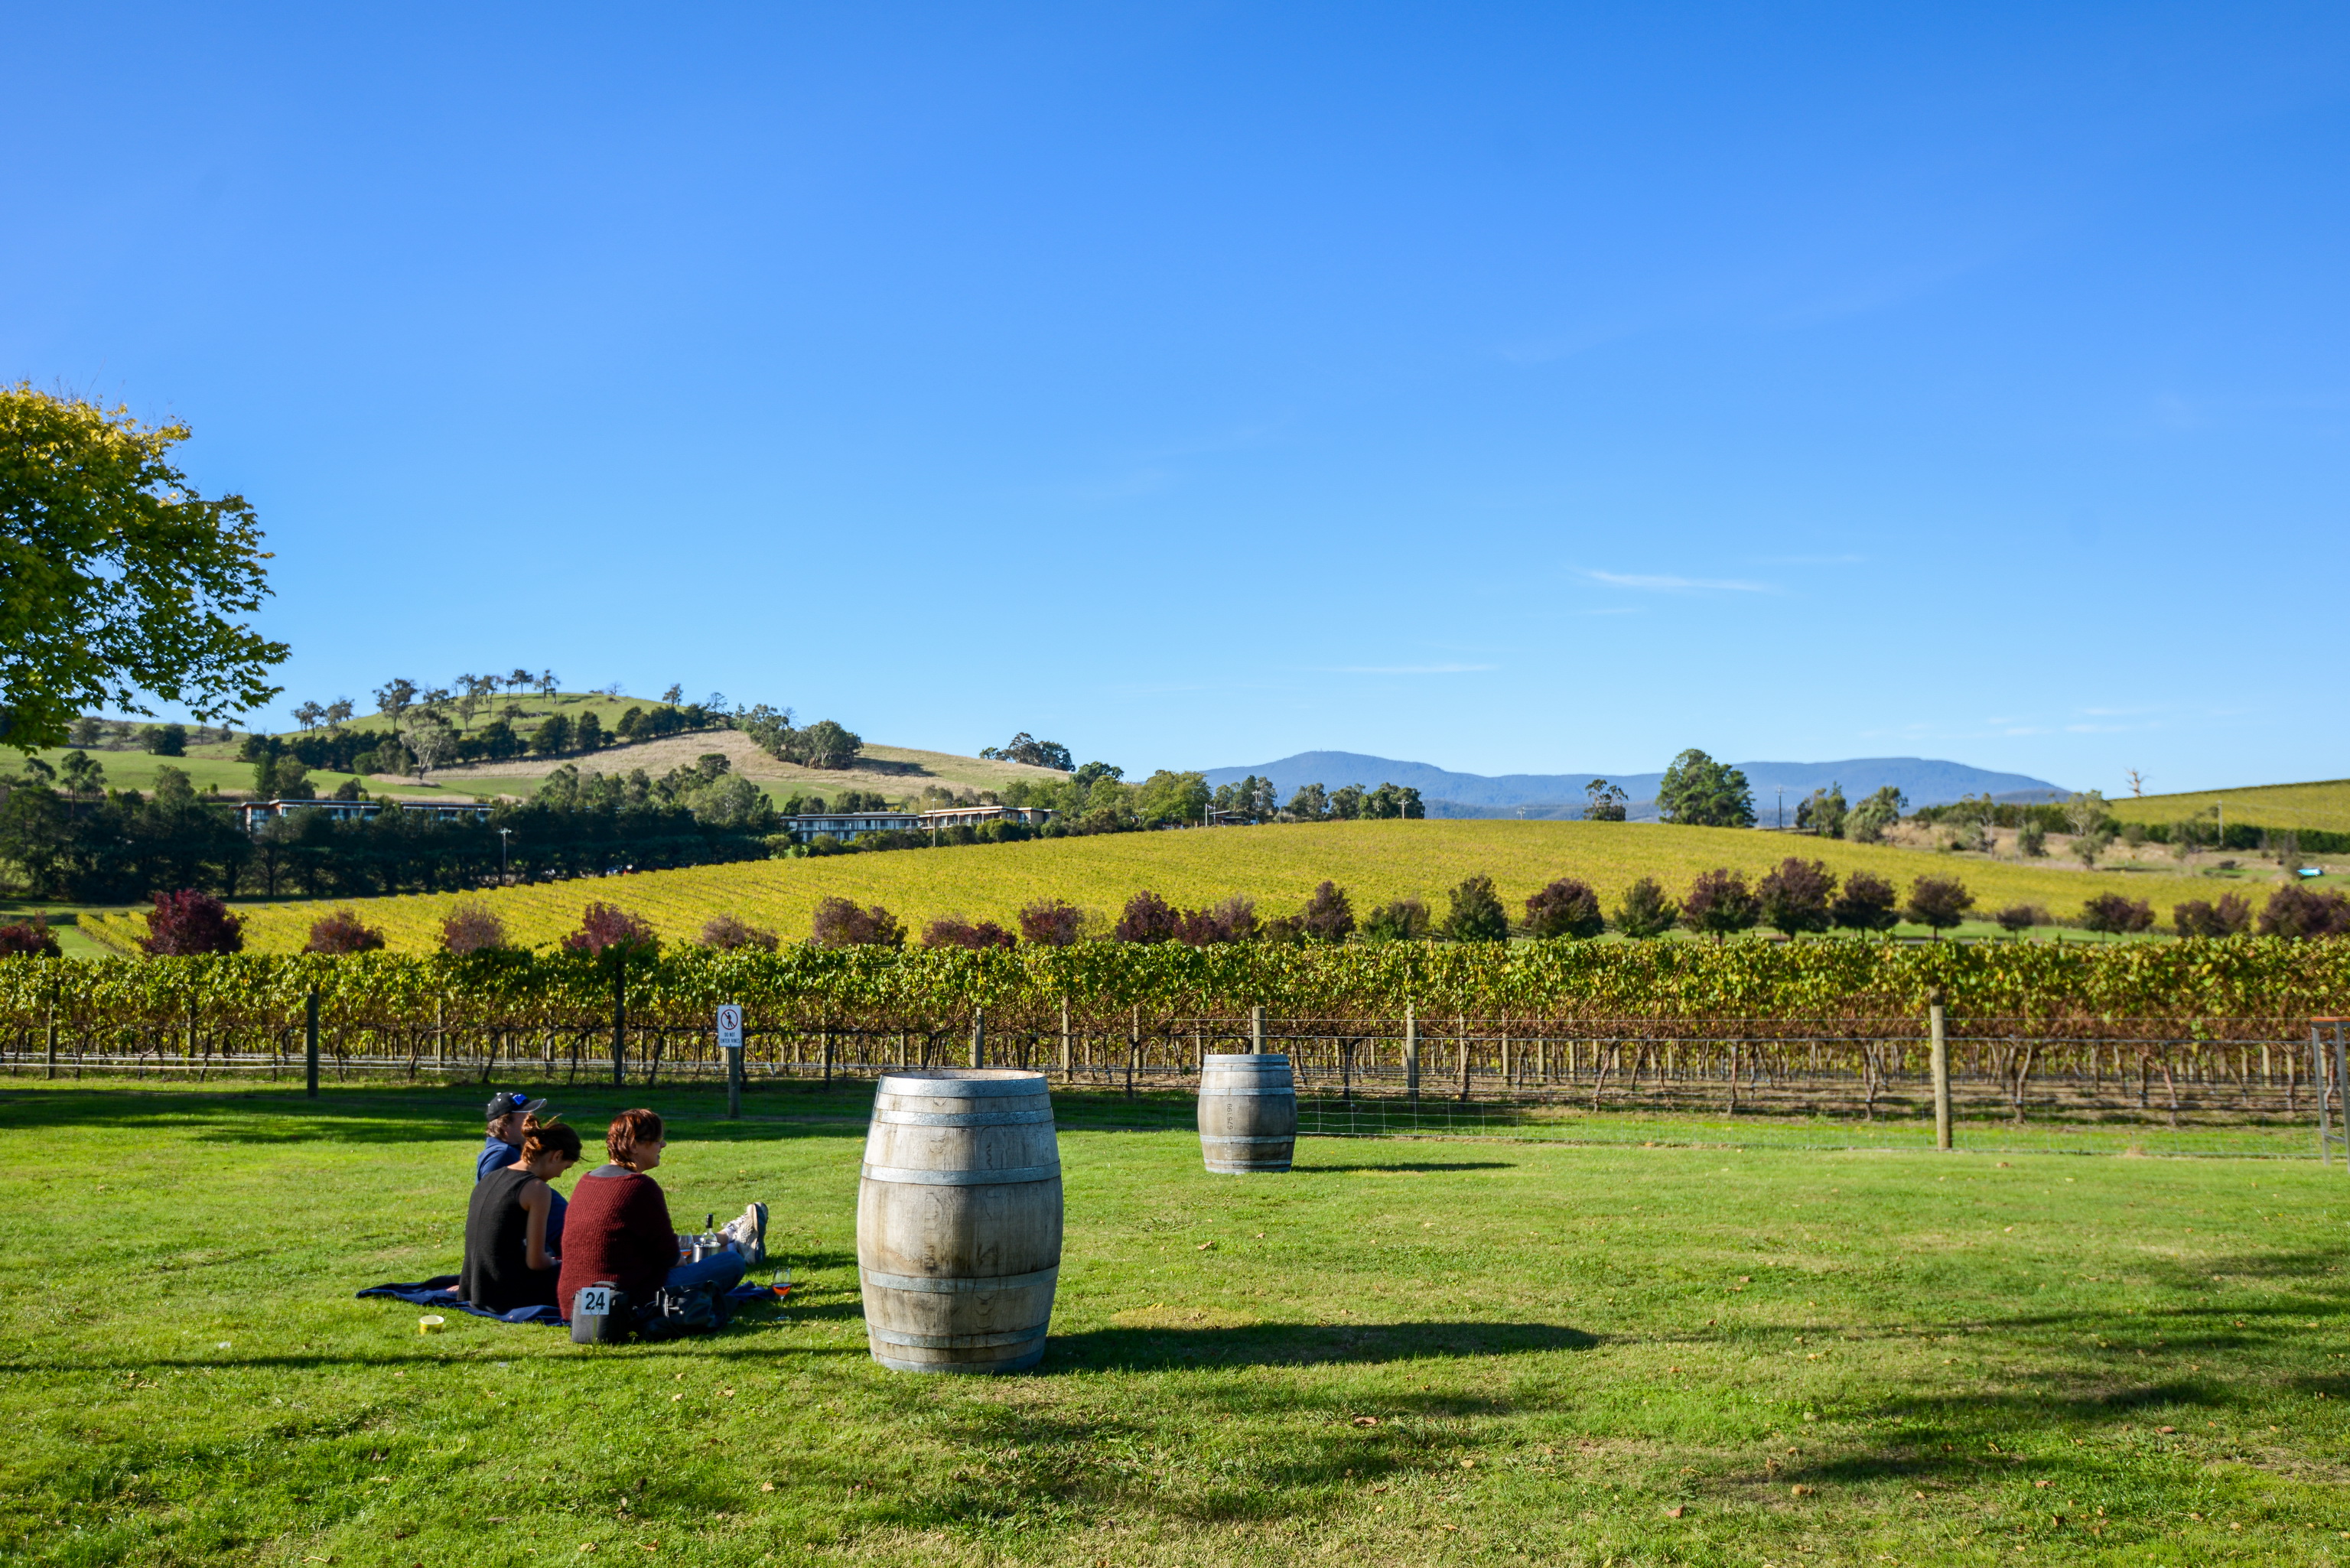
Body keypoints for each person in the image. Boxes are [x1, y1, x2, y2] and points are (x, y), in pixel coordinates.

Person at [557, 1109, 767, 1321]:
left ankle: (729, 1240)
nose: (663, 1145)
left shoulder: (587, 1181)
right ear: (633, 1145)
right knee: (731, 1262)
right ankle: (733, 1243)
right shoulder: (638, 1187)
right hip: (626, 1299)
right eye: (657, 1140)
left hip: (575, 1304)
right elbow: (671, 1258)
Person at [460, 1120, 583, 1313]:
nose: (560, 1176)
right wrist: (558, 1262)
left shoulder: (493, 1176)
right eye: (565, 1168)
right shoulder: (536, 1188)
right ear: (557, 1156)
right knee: (583, 1274)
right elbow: (536, 1262)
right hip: (506, 1295)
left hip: (475, 1288)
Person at [478, 1092, 549, 1183]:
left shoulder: (513, 1151)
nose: (534, 1122)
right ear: (504, 1123)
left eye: (532, 1114)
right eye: (527, 1116)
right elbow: (489, 1195)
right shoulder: (501, 1155)